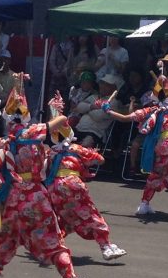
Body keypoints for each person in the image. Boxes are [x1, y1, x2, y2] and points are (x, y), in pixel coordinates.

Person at [0, 83, 94, 278]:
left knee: (7, 238)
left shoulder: (1, 143)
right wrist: (57, 109)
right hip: (36, 197)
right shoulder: (32, 131)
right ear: (26, 115)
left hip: (12, 198)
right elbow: (60, 122)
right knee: (52, 242)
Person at [42, 106, 127, 262]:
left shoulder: (50, 152)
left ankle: (49, 247)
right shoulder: (75, 148)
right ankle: (106, 246)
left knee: (64, 218)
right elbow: (99, 160)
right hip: (72, 184)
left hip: (55, 189)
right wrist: (92, 155)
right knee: (91, 215)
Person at [105, 74, 168, 216]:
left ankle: (144, 203)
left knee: (155, 175)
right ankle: (145, 204)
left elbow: (126, 118)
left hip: (164, 146)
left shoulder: (151, 110)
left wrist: (107, 109)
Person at [75, 73, 122, 150]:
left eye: (106, 85)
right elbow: (79, 107)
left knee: (85, 145)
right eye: (102, 84)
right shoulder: (94, 97)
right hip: (79, 128)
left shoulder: (113, 102)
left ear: (113, 89)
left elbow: (98, 116)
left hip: (94, 133)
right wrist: (91, 107)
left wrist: (87, 110)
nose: (102, 86)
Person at [47, 36, 74, 101]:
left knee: (66, 100)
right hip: (56, 78)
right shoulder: (56, 46)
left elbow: (72, 61)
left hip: (68, 78)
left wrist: (64, 72)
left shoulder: (73, 47)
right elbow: (52, 61)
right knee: (53, 100)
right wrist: (56, 72)